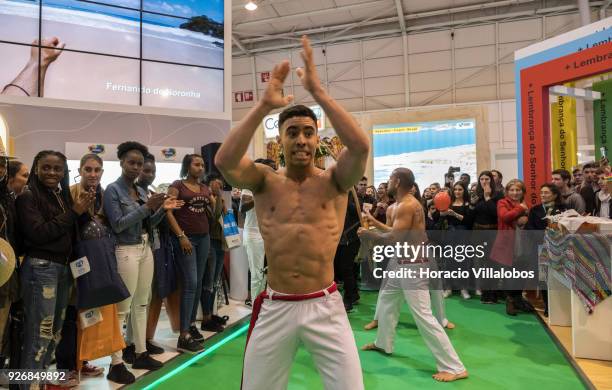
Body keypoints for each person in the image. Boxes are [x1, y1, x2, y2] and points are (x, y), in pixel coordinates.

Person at [215, 35, 368, 390]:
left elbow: (360, 146)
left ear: (318, 140)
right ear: (279, 142)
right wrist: (263, 106)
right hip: (276, 304)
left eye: (308, 133)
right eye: (293, 132)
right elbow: (223, 161)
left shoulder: (335, 181)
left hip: (325, 305)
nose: (301, 139)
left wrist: (317, 93)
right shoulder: (265, 181)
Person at [360, 168, 467, 382]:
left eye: (390, 179)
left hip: (414, 265)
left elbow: (393, 238)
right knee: (388, 302)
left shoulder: (408, 205)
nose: (387, 182)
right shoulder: (396, 206)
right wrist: (372, 221)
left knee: (423, 315)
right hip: (400, 263)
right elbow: (391, 231)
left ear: (398, 182)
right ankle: (383, 344)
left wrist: (369, 233)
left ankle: (454, 367)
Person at [103, 142, 181, 376]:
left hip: (146, 248)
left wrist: (161, 209)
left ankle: (140, 353)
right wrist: (148, 207)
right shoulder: (112, 190)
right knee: (122, 308)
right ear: (121, 163)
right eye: (132, 163)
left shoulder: (140, 190)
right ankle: (115, 363)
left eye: (139, 164)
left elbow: (149, 223)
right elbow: (117, 225)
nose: (136, 168)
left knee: (142, 303)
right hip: (125, 250)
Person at [16, 151, 93, 387]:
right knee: (39, 335)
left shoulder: (60, 195)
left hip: (62, 269)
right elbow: (38, 234)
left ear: (64, 171)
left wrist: (81, 211)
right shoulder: (27, 197)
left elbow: (72, 230)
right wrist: (73, 213)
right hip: (41, 268)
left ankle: (39, 382)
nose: (52, 173)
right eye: (46, 167)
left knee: (54, 334)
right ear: (36, 168)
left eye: (57, 169)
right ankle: (28, 385)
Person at [55, 154, 106, 383]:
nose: (93, 174)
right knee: (68, 316)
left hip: (94, 264)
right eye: (88, 170)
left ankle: (82, 362)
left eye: (97, 170)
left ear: (102, 172)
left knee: (87, 315)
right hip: (71, 264)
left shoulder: (103, 195)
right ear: (80, 170)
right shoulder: (70, 193)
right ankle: (66, 367)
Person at [165, 154, 212, 352]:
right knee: (191, 284)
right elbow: (168, 212)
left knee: (198, 283)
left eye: (202, 165)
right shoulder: (177, 185)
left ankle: (191, 326)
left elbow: (214, 212)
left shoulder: (204, 188)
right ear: (187, 166)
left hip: (204, 238)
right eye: (196, 164)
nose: (200, 168)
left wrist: (217, 199)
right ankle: (183, 335)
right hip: (187, 239)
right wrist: (181, 236)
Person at [490, 179, 532, 316]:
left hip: (524, 241)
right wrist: (520, 209)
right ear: (507, 192)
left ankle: (518, 299)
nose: (515, 193)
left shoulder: (526, 204)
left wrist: (524, 217)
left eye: (518, 190)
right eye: (512, 190)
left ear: (523, 192)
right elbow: (505, 217)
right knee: (510, 273)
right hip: (508, 243)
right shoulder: (503, 203)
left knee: (522, 272)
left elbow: (525, 221)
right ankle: (510, 301)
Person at [525, 183, 566, 317]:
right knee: (543, 278)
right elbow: (529, 229)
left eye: (546, 193)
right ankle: (548, 306)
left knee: (558, 277)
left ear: (554, 194)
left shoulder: (564, 209)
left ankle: (561, 307)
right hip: (541, 248)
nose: (543, 195)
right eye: (541, 192)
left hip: (559, 248)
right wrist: (543, 234)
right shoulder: (535, 210)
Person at [240, 158, 274, 306]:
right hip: (254, 234)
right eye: (271, 169)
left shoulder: (274, 186)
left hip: (271, 234)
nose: (274, 172)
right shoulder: (250, 186)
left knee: (268, 273)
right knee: (257, 274)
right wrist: (260, 195)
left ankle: (265, 305)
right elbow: (243, 207)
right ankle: (256, 306)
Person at [200, 175, 228, 332]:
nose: (219, 187)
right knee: (208, 282)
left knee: (215, 280)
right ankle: (206, 318)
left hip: (219, 242)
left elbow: (224, 217)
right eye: (216, 184)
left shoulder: (219, 199)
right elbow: (214, 217)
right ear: (209, 184)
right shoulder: (205, 199)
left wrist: (220, 201)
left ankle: (212, 313)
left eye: (221, 186)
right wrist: (217, 197)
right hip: (209, 242)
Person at [472, 171, 502, 303]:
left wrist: (488, 197)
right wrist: (472, 206)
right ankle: (485, 293)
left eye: (487, 179)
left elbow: (495, 213)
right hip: (479, 233)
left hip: (493, 232)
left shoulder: (498, 195)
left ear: (492, 181)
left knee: (493, 264)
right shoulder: (476, 195)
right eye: (482, 179)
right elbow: (472, 216)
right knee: (482, 264)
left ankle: (494, 293)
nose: (484, 181)